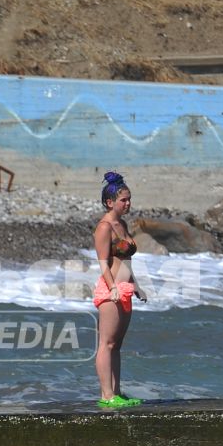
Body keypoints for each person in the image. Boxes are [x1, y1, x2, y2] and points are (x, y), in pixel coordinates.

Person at [92, 171, 144, 409]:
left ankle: (117, 392)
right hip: (110, 290)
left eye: (129, 199)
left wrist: (136, 286)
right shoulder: (104, 228)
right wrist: (113, 287)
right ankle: (106, 395)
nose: (128, 203)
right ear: (109, 202)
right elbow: (103, 262)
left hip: (124, 288)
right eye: (123, 200)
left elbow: (127, 261)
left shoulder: (122, 224)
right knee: (106, 343)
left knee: (117, 345)